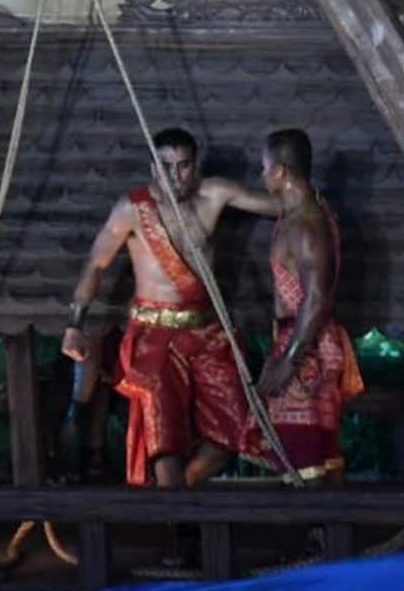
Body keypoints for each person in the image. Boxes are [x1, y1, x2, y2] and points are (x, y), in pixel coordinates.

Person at [62, 127, 278, 487]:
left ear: (196, 166)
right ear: (152, 168)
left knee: (237, 424)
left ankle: (180, 497)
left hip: (207, 332)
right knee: (165, 432)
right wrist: (75, 325)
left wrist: (301, 191)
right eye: (166, 166)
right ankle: (182, 525)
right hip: (154, 334)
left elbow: (282, 204)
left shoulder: (215, 193)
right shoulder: (132, 209)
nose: (175, 175)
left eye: (183, 166)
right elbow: (96, 264)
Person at [255, 129, 364, 484]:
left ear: (281, 172)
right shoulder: (299, 214)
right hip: (303, 340)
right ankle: (322, 536)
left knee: (308, 464)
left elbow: (315, 298)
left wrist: (289, 360)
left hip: (308, 346)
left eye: (265, 169)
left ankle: (323, 536)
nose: (262, 176)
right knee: (311, 458)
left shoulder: (305, 225)